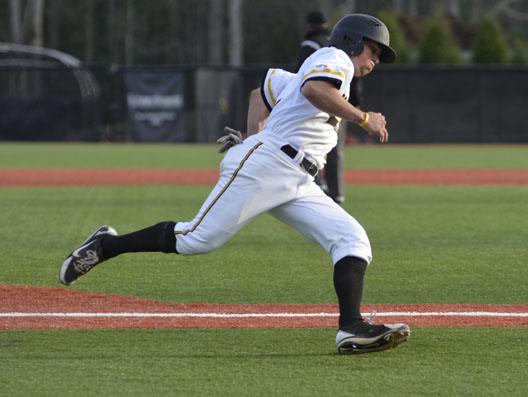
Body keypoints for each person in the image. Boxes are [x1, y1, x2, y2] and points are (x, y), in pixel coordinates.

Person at [59, 14, 410, 355]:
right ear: (352, 41)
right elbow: (316, 88)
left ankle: (351, 327)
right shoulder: (335, 59)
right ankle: (106, 246)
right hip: (269, 164)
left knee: (351, 239)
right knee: (196, 239)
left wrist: (251, 135)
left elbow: (261, 92)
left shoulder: (322, 68)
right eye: (373, 50)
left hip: (297, 177)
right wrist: (364, 118)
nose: (375, 59)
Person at [294, 9, 355, 204]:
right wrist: (354, 104)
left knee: (307, 144)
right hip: (341, 101)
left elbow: (299, 75)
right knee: (335, 148)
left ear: (310, 25)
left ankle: (317, 185)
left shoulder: (310, 45)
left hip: (318, 103)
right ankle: (337, 192)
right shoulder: (339, 45)